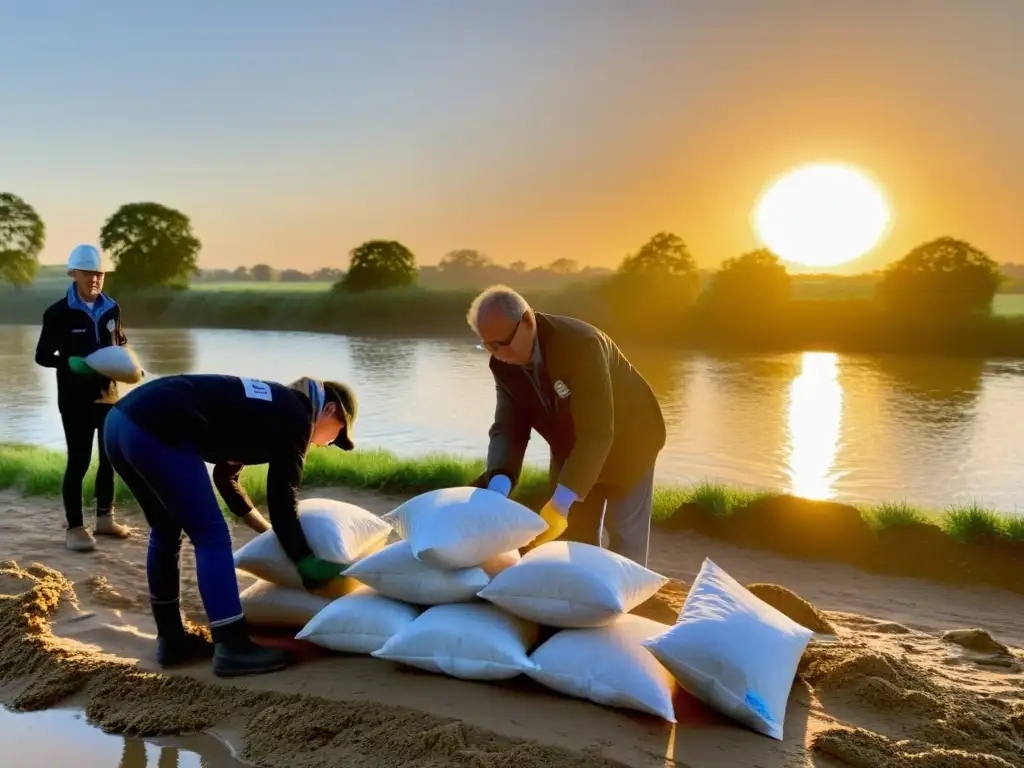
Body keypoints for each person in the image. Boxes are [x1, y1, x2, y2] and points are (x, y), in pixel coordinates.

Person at [102, 373, 359, 678]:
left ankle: (171, 640)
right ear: (331, 410)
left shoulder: (270, 408)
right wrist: (304, 559)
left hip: (120, 423)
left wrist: (266, 531)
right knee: (211, 535)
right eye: (337, 435)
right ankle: (233, 646)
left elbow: (226, 479)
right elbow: (282, 496)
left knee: (166, 530)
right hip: (157, 425)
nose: (330, 443)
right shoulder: (297, 415)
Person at [467, 285, 666, 567]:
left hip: (631, 440)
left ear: (527, 321)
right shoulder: (503, 365)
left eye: (503, 343)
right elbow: (508, 427)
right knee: (573, 536)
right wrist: (499, 482)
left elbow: (597, 433)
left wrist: (561, 501)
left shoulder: (581, 345)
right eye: (488, 345)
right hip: (572, 445)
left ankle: (626, 600)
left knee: (623, 533)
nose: (498, 353)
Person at [35, 244, 133, 552]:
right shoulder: (57, 313)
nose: (94, 279)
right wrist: (69, 362)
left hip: (110, 397)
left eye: (100, 273)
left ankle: (105, 519)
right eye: (88, 272)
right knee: (78, 462)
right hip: (75, 401)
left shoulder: (113, 308)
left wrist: (129, 361)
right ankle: (75, 529)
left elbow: (120, 341)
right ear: (73, 273)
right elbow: (41, 356)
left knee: (110, 461)